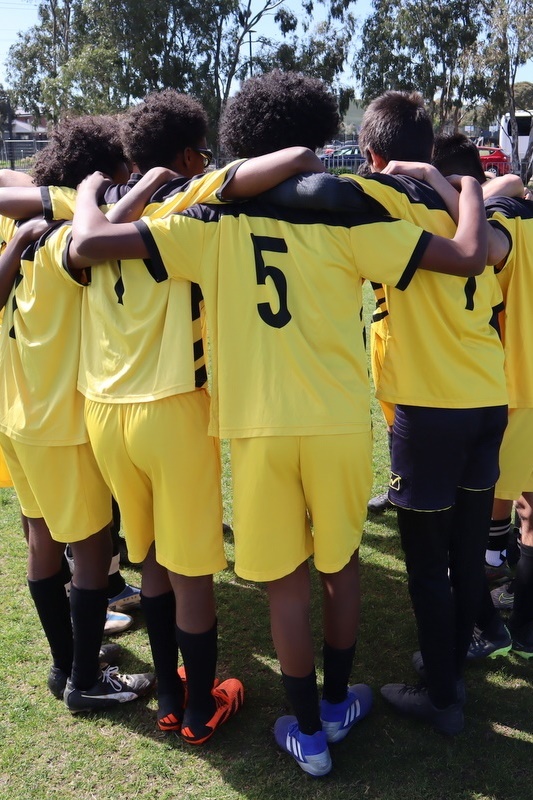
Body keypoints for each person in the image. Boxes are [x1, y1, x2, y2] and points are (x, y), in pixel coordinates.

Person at [69, 71, 488, 773]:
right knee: (340, 565)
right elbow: (463, 256)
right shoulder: (350, 213)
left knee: (285, 582)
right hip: (334, 424)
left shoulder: (209, 222)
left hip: (255, 427)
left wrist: (89, 194)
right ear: (312, 137)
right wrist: (467, 188)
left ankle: (307, 734)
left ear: (239, 140)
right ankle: (333, 704)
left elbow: (91, 247)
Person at [23, 89, 324, 741]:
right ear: (189, 154)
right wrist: (301, 153)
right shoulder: (191, 198)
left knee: (153, 560)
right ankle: (197, 707)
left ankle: (168, 693)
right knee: (189, 574)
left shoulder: (93, 212)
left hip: (105, 414)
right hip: (172, 407)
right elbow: (253, 172)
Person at [0, 115, 155, 710]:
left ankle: (66, 662)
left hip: (16, 413)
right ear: (99, 172)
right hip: (59, 422)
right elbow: (97, 232)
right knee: (91, 550)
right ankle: (85, 682)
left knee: (42, 539)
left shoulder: (23, 223)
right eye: (122, 168)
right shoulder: (73, 221)